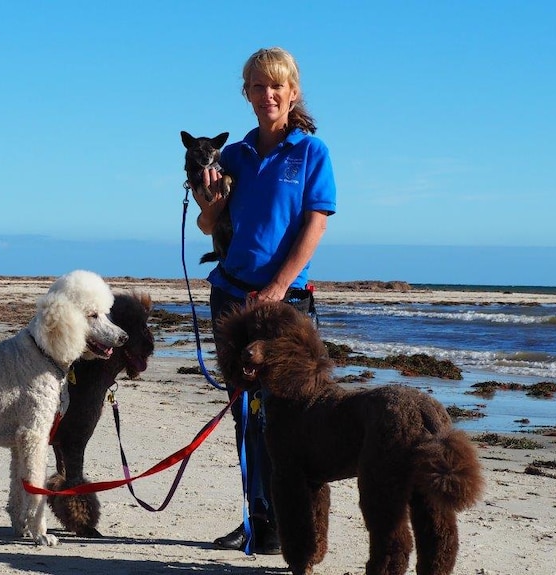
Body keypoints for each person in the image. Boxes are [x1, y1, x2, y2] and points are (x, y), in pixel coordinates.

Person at [190, 47, 337, 554]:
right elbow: (208, 227)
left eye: (276, 85)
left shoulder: (310, 152)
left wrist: (276, 289)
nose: (267, 94)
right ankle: (259, 521)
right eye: (257, 86)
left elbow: (315, 224)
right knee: (245, 413)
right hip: (231, 297)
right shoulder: (232, 156)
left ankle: (295, 525)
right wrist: (214, 204)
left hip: (286, 304)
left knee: (291, 416)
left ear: (292, 92)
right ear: (247, 94)